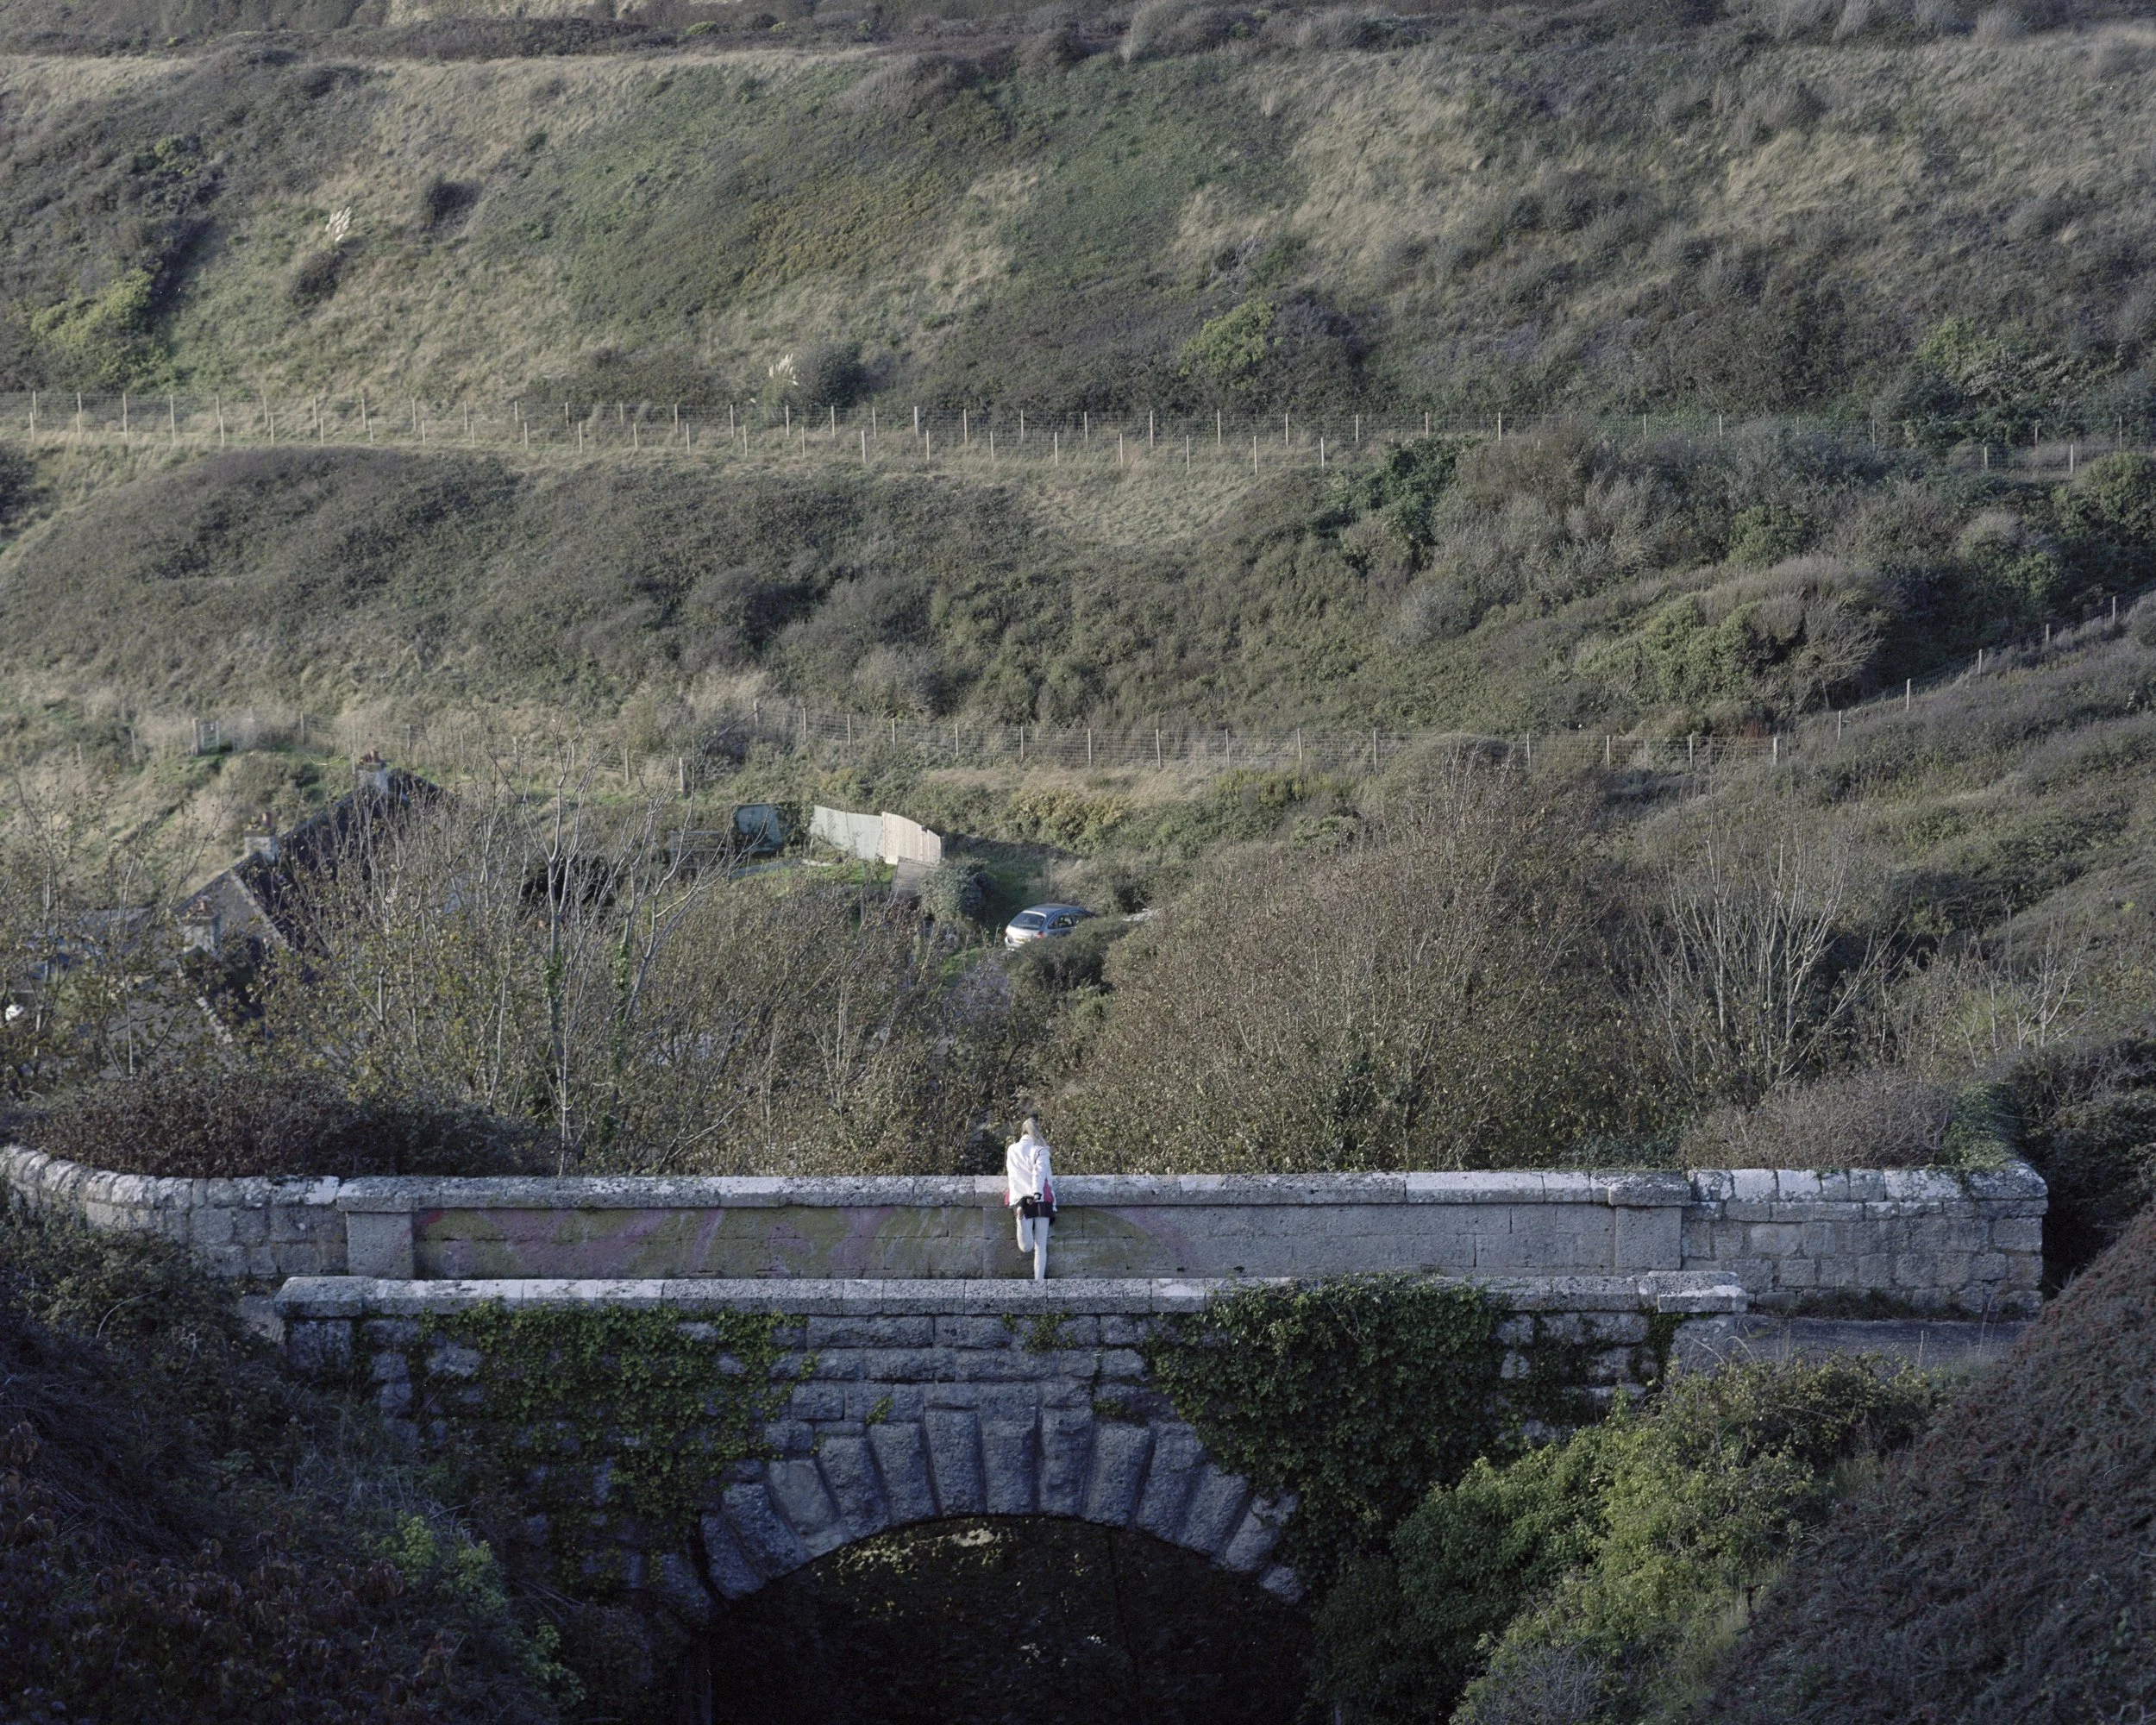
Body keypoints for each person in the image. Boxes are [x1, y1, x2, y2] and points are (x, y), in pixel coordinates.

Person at [1005, 1116, 1056, 1281]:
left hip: (1020, 1198)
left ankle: (1021, 1218)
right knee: (1040, 1246)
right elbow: (1039, 1174)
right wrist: (1037, 1193)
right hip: (1040, 1198)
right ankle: (1039, 1282)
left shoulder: (1012, 1149)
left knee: (1026, 1247)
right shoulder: (1040, 1150)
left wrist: (1018, 1197)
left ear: (1022, 1132)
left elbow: (1012, 1175)